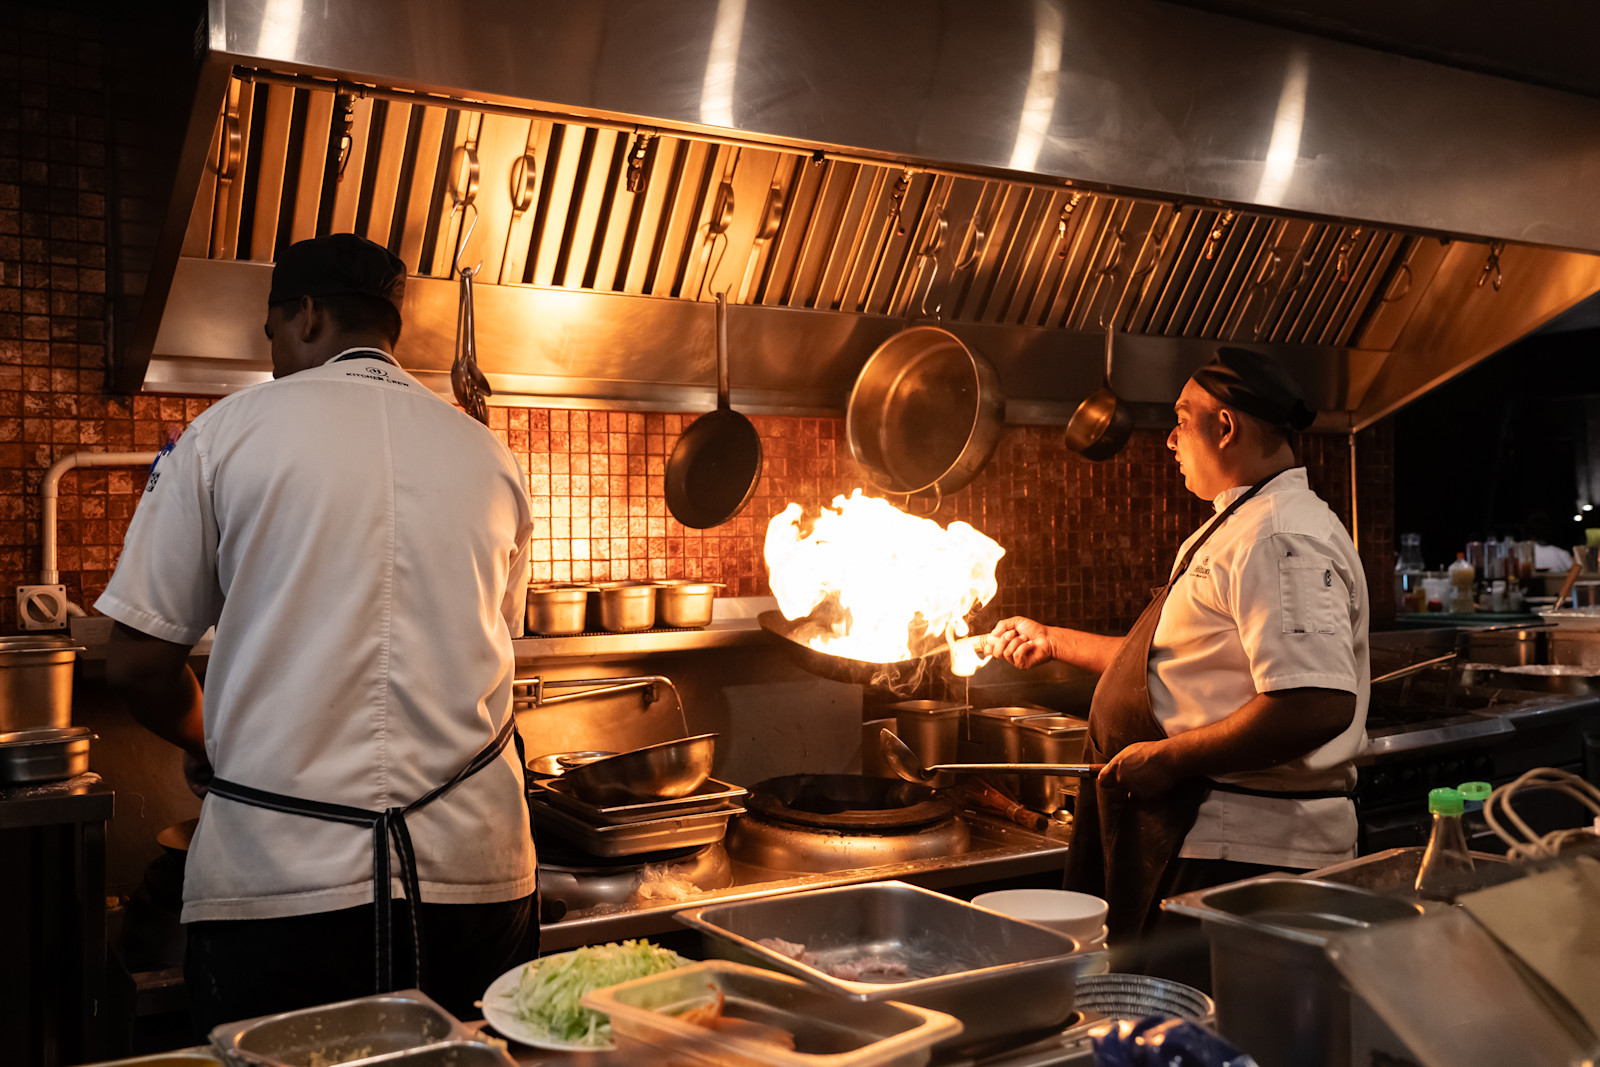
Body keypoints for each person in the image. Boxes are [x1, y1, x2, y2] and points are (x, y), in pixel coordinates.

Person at [98, 233, 536, 1032]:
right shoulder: (490, 455)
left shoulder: (221, 435)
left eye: (269, 338)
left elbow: (133, 661)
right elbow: (496, 656)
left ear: (301, 315)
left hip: (280, 891)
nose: (272, 359)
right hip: (475, 882)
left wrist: (205, 739)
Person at [983, 346, 1369, 953]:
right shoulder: (1242, 522)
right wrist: (1055, 641)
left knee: (1202, 1036)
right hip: (1205, 837)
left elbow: (1315, 703)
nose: (1170, 439)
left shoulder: (1280, 535)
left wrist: (1169, 760)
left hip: (1241, 851)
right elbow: (1175, 666)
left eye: (1182, 419)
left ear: (1225, 426)